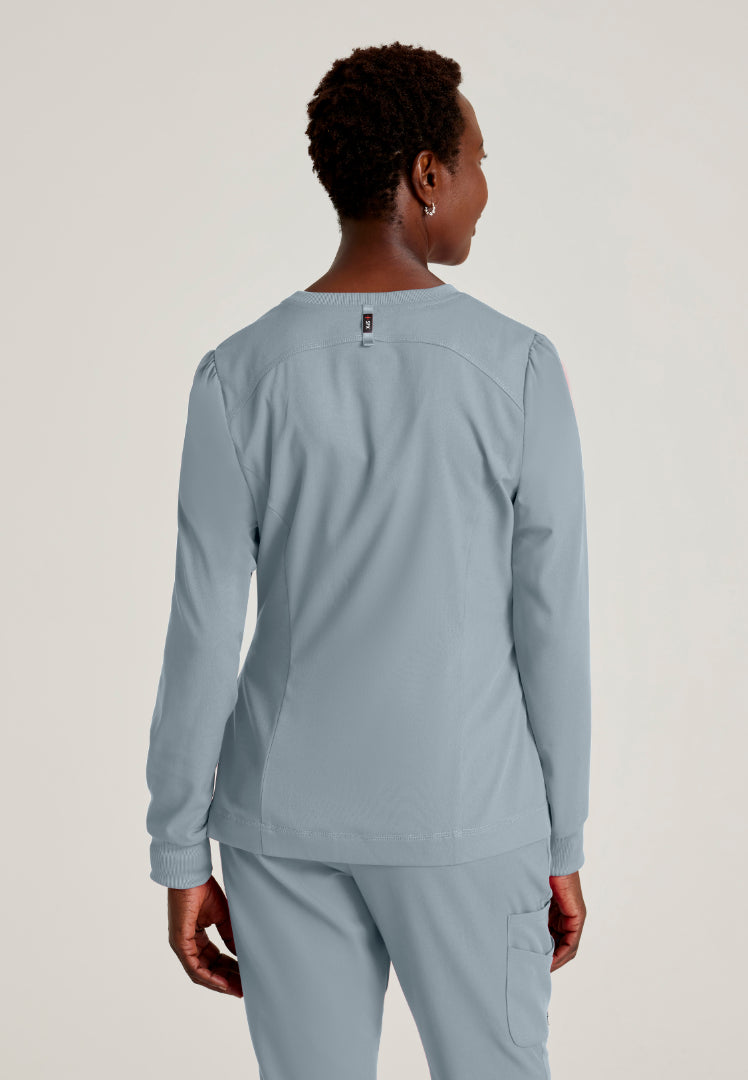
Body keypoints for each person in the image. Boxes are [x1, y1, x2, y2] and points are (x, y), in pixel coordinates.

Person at [146, 40, 591, 1080]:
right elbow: (552, 624)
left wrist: (179, 848)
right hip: (470, 815)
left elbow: (203, 626)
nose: (484, 189)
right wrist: (561, 840)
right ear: (427, 174)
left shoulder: (237, 375)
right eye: (477, 163)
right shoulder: (517, 367)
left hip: (281, 822)